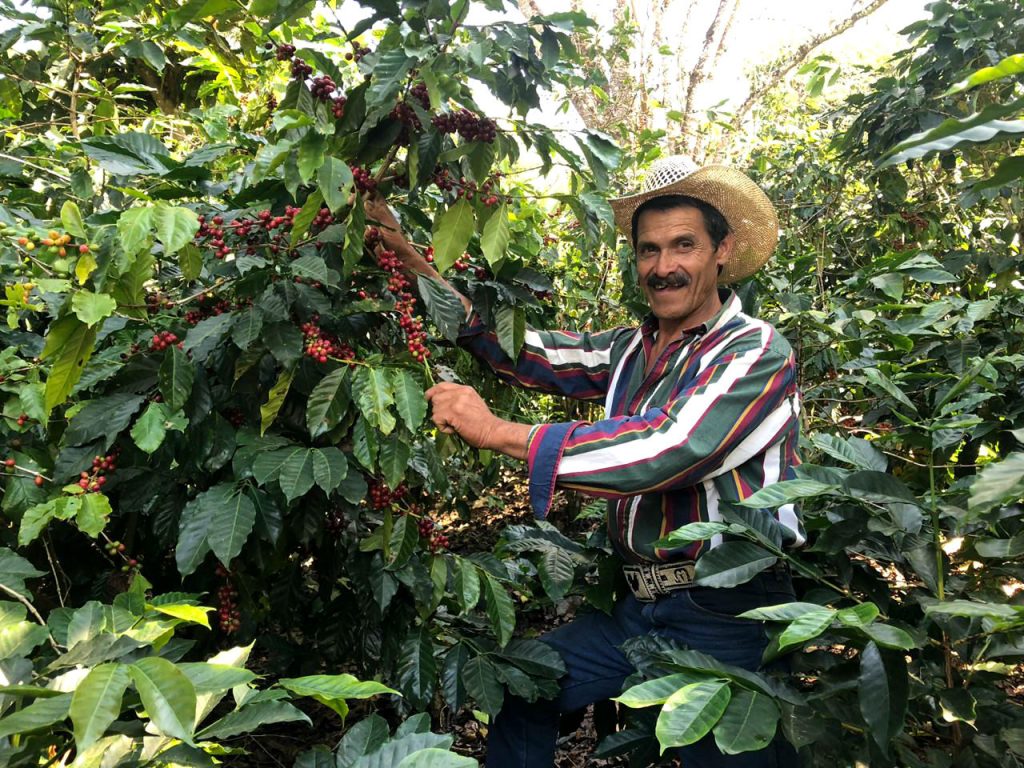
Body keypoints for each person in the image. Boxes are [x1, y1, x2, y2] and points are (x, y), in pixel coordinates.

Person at [364, 155, 803, 767]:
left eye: (684, 246)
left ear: (722, 251)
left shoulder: (755, 350)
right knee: (528, 687)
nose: (664, 267)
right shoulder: (631, 348)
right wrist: (407, 258)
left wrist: (495, 430)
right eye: (649, 250)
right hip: (638, 606)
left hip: (724, 610)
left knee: (732, 755)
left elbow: (669, 447)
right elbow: (524, 351)